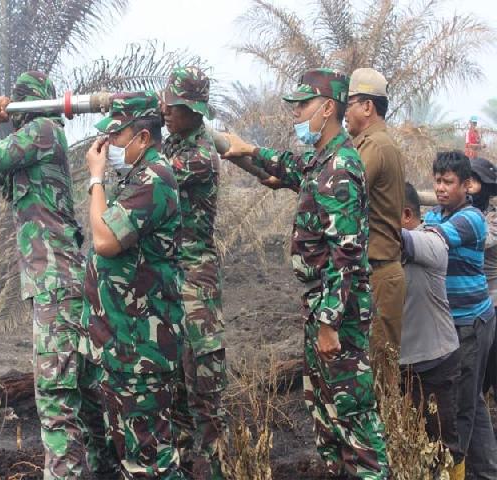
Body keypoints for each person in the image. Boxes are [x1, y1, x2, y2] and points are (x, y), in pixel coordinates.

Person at [221, 68, 389, 479]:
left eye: (303, 106)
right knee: (326, 412)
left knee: (354, 419)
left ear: (328, 108)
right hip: (319, 306)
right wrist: (251, 152)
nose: (296, 115)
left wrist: (330, 323)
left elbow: (346, 255)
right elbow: (292, 167)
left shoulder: (341, 169)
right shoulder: (322, 161)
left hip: (338, 313)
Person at [0, 71, 105, 479]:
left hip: (57, 284)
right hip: (59, 284)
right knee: (87, 397)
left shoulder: (43, 130)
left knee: (58, 401)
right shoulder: (33, 145)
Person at [80, 91, 185, 478]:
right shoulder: (139, 177)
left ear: (142, 137)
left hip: (143, 345)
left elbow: (105, 240)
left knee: (151, 458)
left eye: (117, 136)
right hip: (124, 342)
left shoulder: (155, 178)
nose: (109, 146)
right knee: (132, 453)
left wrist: (95, 178)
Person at [160, 66, 227, 480]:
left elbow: (150, 180)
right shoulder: (172, 143)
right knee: (174, 394)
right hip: (170, 280)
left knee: (204, 392)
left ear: (195, 110)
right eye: (166, 103)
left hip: (194, 282)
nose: (167, 110)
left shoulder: (198, 156)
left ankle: (219, 471)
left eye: (176, 106)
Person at [423, 151, 497, 479]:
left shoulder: (470, 218)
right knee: (473, 402)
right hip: (455, 321)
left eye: (448, 182)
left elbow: (433, 242)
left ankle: (457, 472)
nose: (441, 188)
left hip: (471, 322)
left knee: (462, 408)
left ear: (467, 186)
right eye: (437, 181)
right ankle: (485, 472)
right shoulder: (436, 215)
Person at [399, 182, 464, 479]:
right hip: (400, 364)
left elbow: (394, 239)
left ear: (406, 214)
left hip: (435, 363)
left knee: (445, 448)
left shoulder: (431, 242)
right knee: (406, 444)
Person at [345, 68, 405, 363]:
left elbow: (340, 190)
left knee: (378, 375)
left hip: (380, 275)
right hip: (374, 274)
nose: (343, 113)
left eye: (348, 104)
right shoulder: (371, 144)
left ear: (367, 106)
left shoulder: (376, 146)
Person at [466, 157, 497, 405]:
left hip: (492, 303)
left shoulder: (492, 221)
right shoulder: (458, 216)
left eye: (474, 182)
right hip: (471, 306)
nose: (469, 187)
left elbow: (480, 239)